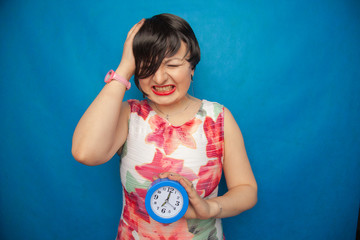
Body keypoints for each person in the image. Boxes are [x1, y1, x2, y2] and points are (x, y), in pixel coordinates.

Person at [72, 13, 257, 239]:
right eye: (147, 66)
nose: (159, 78)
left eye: (172, 64)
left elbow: (246, 190)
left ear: (192, 67)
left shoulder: (218, 118)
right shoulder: (129, 116)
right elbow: (85, 153)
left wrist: (210, 208)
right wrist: (124, 69)